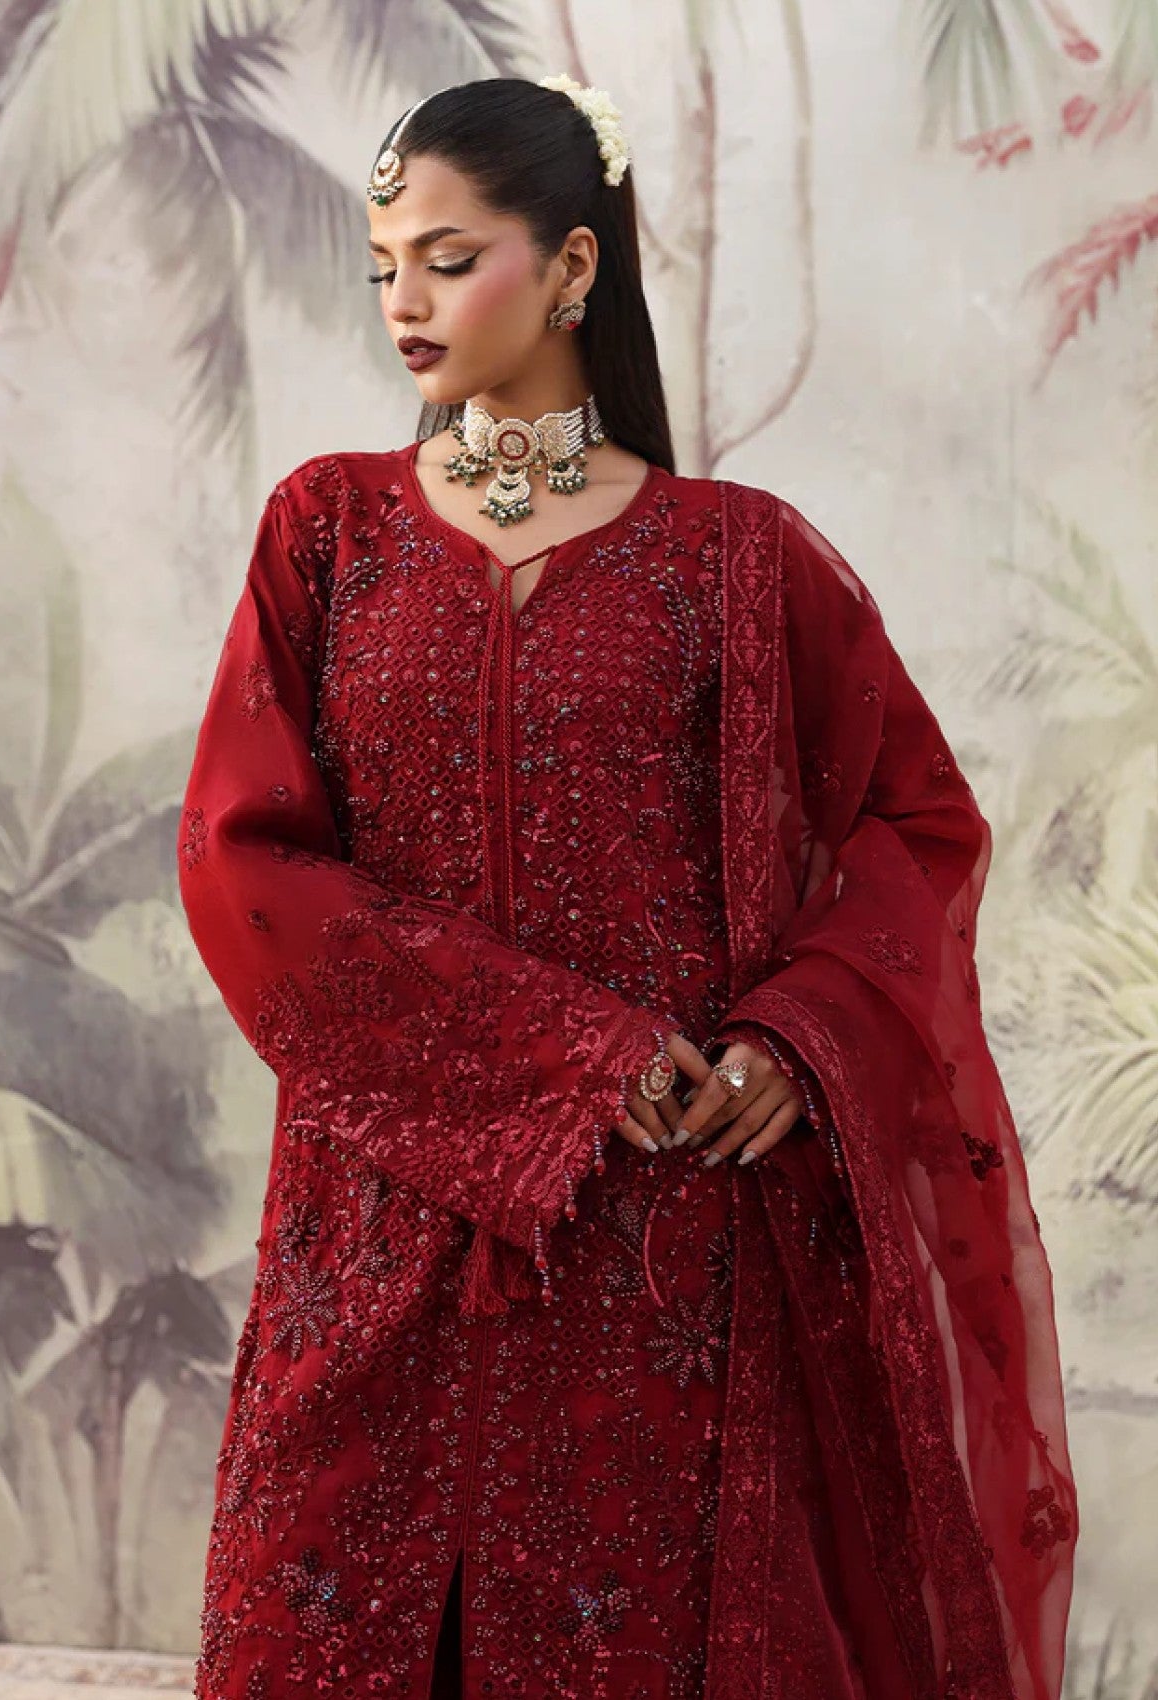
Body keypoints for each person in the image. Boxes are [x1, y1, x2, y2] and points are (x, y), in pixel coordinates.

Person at [178, 74, 1077, 1700]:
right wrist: (566, 1054)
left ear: (574, 267)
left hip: (663, 1238)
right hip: (374, 1227)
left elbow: (915, 826)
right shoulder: (327, 531)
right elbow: (242, 861)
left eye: (449, 258)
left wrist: (795, 1038)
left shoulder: (738, 558)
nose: (402, 301)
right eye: (383, 264)